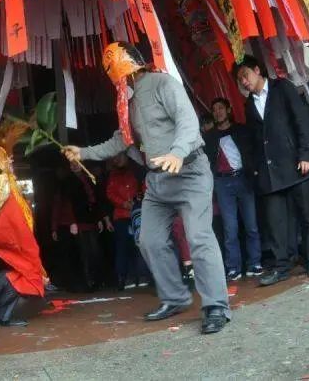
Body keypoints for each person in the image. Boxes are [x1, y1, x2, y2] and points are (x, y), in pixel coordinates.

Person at [63, 41, 230, 334]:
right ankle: (175, 297)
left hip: (189, 170)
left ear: (123, 70)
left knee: (199, 237)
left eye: (112, 71)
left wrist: (177, 152)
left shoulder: (163, 83)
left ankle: (216, 305)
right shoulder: (128, 102)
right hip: (157, 181)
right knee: (148, 240)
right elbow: (121, 140)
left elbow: (187, 121)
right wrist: (84, 152)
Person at [233, 55, 309, 286]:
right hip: (270, 173)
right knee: (276, 223)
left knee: (308, 217)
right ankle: (281, 267)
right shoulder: (248, 105)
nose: (244, 82)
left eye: (245, 75)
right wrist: (254, 170)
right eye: (240, 79)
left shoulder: (282, 88)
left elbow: (302, 120)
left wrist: (306, 154)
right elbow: (253, 141)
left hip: (297, 164)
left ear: (257, 70)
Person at [204, 98, 262, 281]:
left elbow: (253, 151)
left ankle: (255, 263)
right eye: (214, 109)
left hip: (243, 178)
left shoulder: (241, 130)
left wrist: (254, 171)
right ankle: (233, 267)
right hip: (222, 183)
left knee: (251, 225)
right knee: (230, 229)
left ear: (228, 110)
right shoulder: (209, 137)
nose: (218, 112)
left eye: (221, 108)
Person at [51, 164, 103, 292]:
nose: (75, 166)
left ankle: (96, 280)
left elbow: (95, 200)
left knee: (94, 252)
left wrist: (99, 219)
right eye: (72, 164)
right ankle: (87, 282)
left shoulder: (89, 178)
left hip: (90, 220)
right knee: (84, 253)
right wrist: (71, 222)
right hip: (78, 222)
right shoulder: (67, 182)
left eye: (77, 163)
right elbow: (65, 204)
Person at [106, 153, 141, 289]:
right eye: (115, 157)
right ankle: (123, 278)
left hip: (137, 213)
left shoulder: (135, 172)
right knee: (122, 247)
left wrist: (136, 200)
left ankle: (141, 275)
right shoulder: (113, 175)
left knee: (139, 245)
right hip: (121, 215)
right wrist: (123, 203)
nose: (118, 159)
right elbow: (110, 193)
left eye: (120, 156)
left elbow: (142, 187)